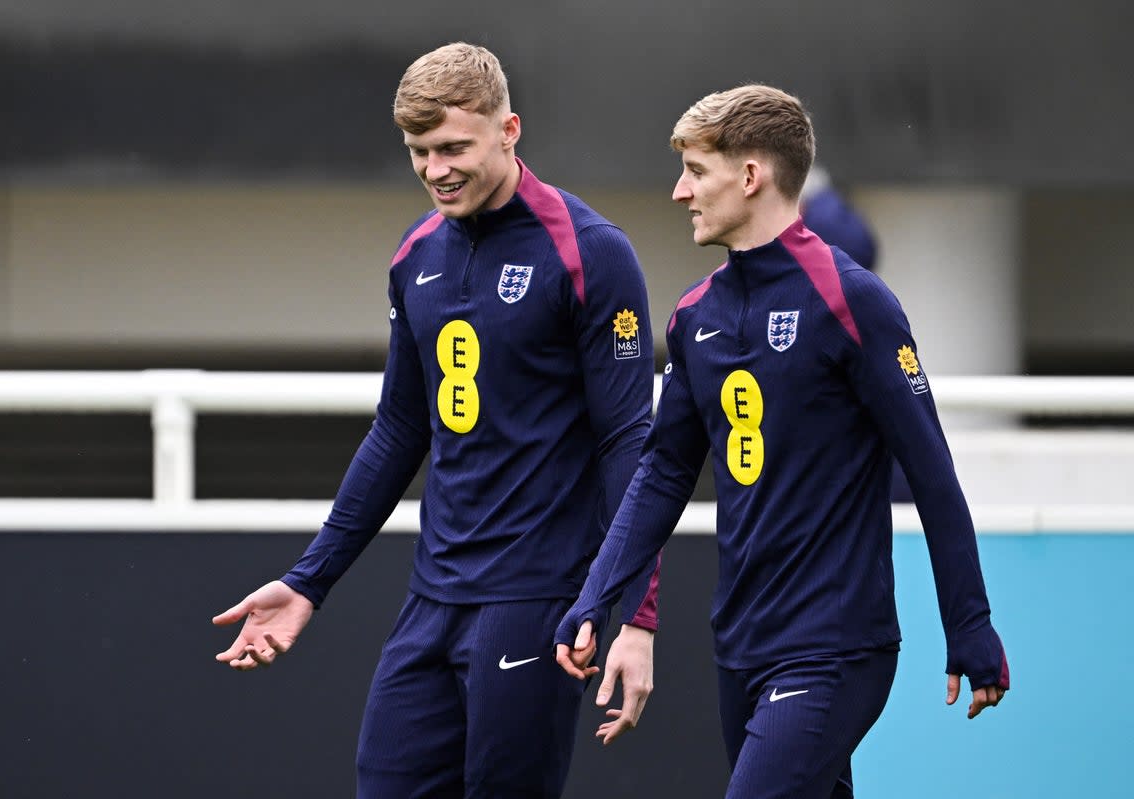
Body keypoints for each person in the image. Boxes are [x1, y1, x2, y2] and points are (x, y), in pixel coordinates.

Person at [213, 43, 660, 798]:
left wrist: (636, 613)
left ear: (509, 130)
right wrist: (308, 581)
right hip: (432, 598)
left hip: (536, 602)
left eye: (454, 147)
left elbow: (630, 443)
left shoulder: (591, 253)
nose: (435, 169)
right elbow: (398, 430)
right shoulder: (415, 253)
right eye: (419, 152)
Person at [554, 85, 1009, 799]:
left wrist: (970, 623)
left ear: (750, 175)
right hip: (739, 646)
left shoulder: (851, 300)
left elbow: (932, 473)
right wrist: (597, 594)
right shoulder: (694, 315)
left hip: (835, 645)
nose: (680, 192)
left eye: (696, 171)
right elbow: (663, 473)